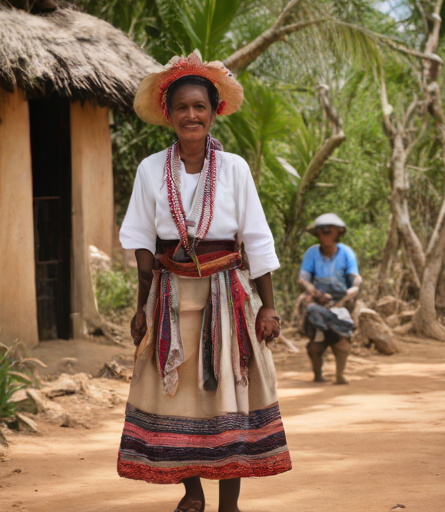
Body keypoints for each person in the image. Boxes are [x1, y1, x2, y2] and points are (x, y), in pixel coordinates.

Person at [117, 52, 291, 512]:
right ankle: (193, 494)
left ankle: (228, 505)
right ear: (168, 115)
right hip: (171, 295)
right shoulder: (150, 170)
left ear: (214, 113)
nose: (190, 115)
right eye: (181, 108)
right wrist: (142, 305)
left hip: (227, 295)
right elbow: (139, 238)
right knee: (180, 399)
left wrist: (268, 306)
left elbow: (256, 237)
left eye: (199, 106)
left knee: (227, 397)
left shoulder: (234, 168)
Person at [298, 213, 362, 385]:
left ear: (338, 233)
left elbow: (354, 275)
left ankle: (340, 375)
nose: (326, 234)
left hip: (340, 302)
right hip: (318, 303)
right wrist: (315, 293)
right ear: (317, 234)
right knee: (317, 342)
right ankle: (317, 374)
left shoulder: (347, 252)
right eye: (323, 231)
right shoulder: (312, 253)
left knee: (342, 339)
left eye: (329, 231)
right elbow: (303, 278)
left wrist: (355, 287)